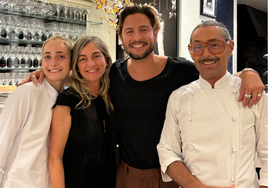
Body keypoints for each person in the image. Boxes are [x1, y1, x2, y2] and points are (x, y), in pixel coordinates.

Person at [20, 4, 265, 188]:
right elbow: (87, 75)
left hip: (173, 176)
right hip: (127, 175)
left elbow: (214, 72)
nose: (136, 37)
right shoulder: (114, 74)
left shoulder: (181, 71)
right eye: (129, 31)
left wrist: (247, 72)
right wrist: (46, 71)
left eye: (143, 30)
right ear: (121, 38)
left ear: (155, 33)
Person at [157, 20, 268, 188]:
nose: (206, 54)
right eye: (198, 46)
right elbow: (167, 151)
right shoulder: (179, 97)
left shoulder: (251, 93)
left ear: (230, 47)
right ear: (191, 52)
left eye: (214, 45)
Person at [0, 35, 73, 188]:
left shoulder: (68, 97)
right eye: (47, 56)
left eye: (61, 56)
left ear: (71, 61)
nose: (53, 62)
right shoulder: (26, 93)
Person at [48, 35, 116, 188]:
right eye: (82, 59)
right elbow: (54, 158)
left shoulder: (112, 95)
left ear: (106, 59)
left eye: (96, 56)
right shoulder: (67, 101)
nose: (90, 63)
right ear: (76, 65)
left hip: (109, 180)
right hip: (77, 180)